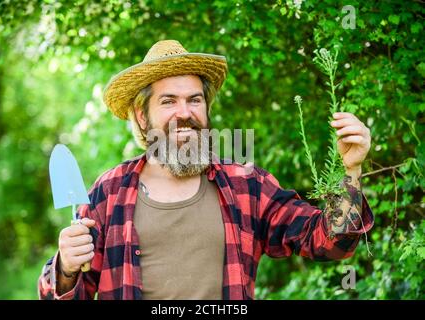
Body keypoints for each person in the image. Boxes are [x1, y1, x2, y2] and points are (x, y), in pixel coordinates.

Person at [38, 40, 374, 300]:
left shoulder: (247, 187)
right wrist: (66, 268)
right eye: (168, 101)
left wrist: (351, 170)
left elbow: (330, 242)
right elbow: (64, 293)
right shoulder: (109, 192)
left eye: (194, 100)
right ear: (142, 116)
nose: (184, 113)